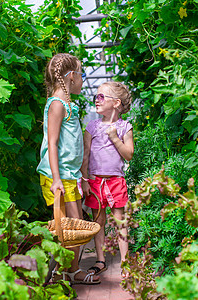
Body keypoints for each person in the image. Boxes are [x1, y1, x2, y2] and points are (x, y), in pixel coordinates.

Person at [37, 53, 100, 284]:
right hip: (58, 177)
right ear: (71, 76)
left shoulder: (65, 104)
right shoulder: (56, 104)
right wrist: (56, 179)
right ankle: (61, 272)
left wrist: (80, 176)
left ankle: (69, 271)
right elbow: (52, 144)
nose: (83, 79)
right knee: (70, 229)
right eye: (81, 73)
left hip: (69, 175)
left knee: (74, 229)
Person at [81, 81, 134, 277]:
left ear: (116, 103)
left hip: (115, 181)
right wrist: (84, 179)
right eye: (97, 95)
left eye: (102, 96)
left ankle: (125, 263)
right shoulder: (91, 127)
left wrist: (115, 138)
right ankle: (100, 260)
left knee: (121, 222)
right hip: (95, 182)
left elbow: (128, 154)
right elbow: (85, 155)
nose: (97, 99)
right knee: (98, 222)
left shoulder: (124, 127)